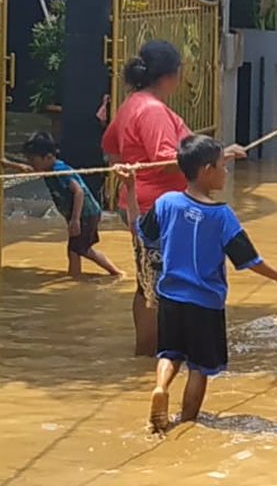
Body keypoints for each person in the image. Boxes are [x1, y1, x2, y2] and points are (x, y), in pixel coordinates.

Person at [138, 135, 277, 432]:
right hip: (205, 304)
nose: (226, 173)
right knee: (199, 368)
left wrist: (125, 185)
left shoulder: (166, 203)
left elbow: (146, 235)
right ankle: (187, 424)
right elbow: (250, 260)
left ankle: (161, 387)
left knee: (170, 354)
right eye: (222, 167)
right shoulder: (222, 216)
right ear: (206, 170)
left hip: (171, 298)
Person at [101, 40, 247, 356]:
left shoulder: (131, 103)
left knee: (147, 282)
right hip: (162, 209)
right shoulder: (152, 111)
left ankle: (147, 356)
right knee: (159, 284)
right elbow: (166, 157)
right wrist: (219, 155)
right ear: (171, 75)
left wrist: (125, 181)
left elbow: (110, 144)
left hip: (140, 203)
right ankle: (158, 354)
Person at [5, 132, 123, 278]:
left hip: (85, 213)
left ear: (48, 157)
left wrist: (75, 219)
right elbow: (28, 170)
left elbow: (78, 192)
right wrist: (8, 164)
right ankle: (77, 276)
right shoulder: (47, 168)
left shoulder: (59, 171)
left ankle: (110, 274)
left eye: (33, 160)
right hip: (81, 213)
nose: (31, 164)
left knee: (80, 250)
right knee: (77, 249)